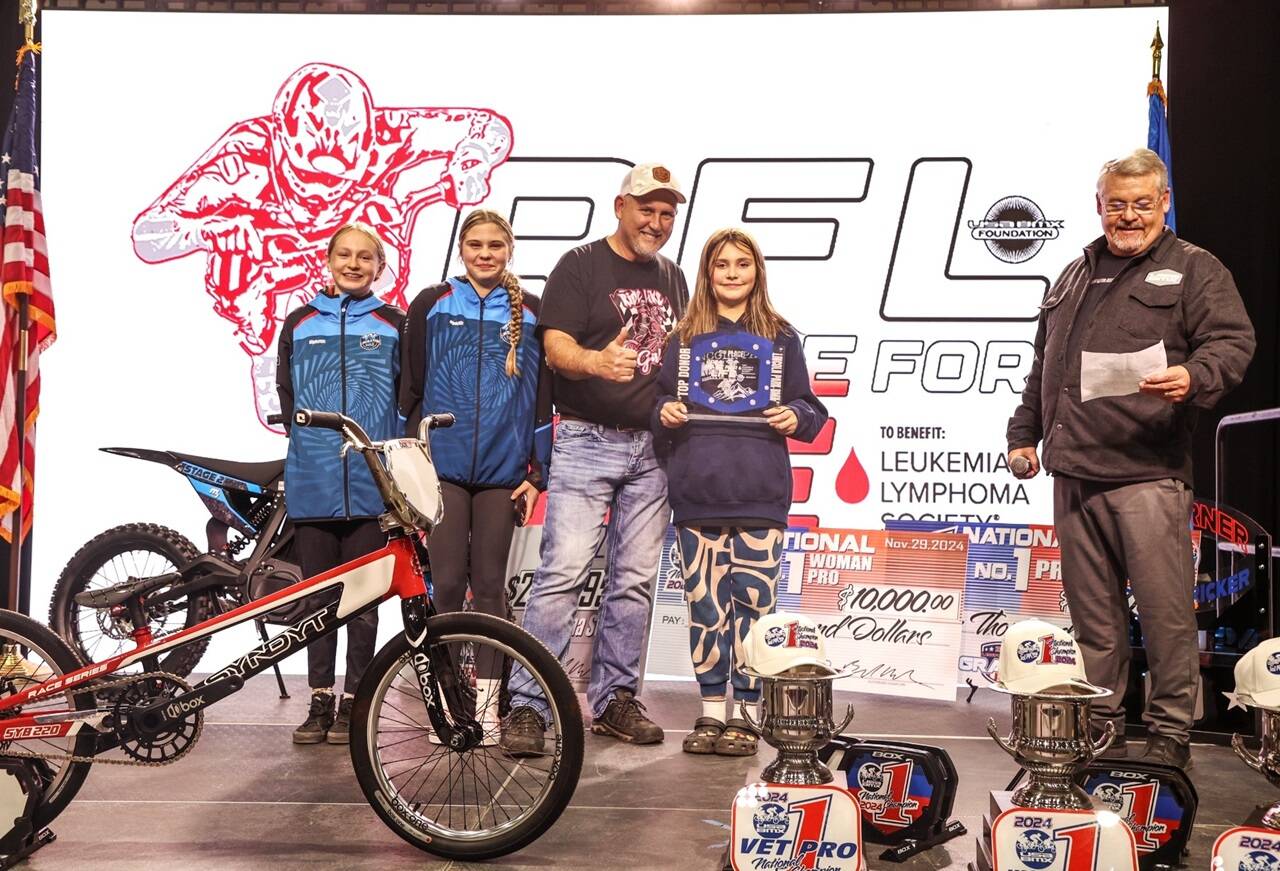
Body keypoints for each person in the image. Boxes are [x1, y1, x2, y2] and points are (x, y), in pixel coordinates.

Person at [1006, 148, 1255, 769]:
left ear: (1164, 202)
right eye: (1117, 204)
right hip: (1073, 471)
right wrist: (1023, 434)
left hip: (1147, 472)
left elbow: (1231, 342)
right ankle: (1102, 724)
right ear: (1099, 205)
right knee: (1094, 618)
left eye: (1143, 203)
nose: (1129, 216)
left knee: (1166, 613)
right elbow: (1045, 369)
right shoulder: (1073, 273)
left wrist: (1194, 376)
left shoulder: (1195, 268)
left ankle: (1170, 731)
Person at [502, 164, 689, 754]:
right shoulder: (579, 264)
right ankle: (528, 705)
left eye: (666, 213)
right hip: (586, 439)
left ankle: (615, 699)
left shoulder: (674, 276)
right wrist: (596, 362)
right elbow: (555, 347)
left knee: (634, 582)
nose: (655, 222)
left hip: (653, 448)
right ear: (620, 206)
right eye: (646, 209)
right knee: (561, 574)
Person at [653, 228, 827, 756]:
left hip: (759, 494)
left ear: (757, 272)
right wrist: (663, 412)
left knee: (754, 608)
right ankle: (711, 712)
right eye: (722, 264)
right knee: (705, 607)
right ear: (707, 273)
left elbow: (812, 410)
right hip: (697, 495)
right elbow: (657, 404)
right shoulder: (682, 338)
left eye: (742, 264)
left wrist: (794, 415)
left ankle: (747, 714)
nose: (732, 273)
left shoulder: (782, 337)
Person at [399, 210, 551, 742]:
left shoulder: (533, 311)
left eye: (495, 245)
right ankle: (450, 708)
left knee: (488, 587)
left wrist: (538, 473)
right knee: (445, 587)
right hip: (441, 471)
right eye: (475, 245)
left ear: (510, 250)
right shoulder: (432, 303)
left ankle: (487, 712)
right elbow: (410, 390)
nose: (485, 254)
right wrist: (408, 466)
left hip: (501, 475)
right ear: (461, 249)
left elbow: (542, 401)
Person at [276, 222, 405, 745]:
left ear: (379, 266)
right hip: (314, 483)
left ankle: (355, 700)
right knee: (318, 602)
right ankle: (319, 699)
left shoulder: (395, 323)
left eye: (364, 257)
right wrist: (314, 454)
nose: (353, 264)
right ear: (328, 260)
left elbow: (405, 398)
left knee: (364, 604)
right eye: (344, 255)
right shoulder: (299, 322)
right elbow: (288, 399)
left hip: (372, 488)